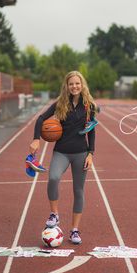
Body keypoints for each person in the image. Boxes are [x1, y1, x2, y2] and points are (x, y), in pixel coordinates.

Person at [29, 71, 97, 244]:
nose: (74, 86)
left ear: (82, 85)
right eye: (71, 84)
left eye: (77, 83)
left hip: (81, 153)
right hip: (62, 151)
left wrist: (91, 153)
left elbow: (92, 131)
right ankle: (55, 214)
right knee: (53, 178)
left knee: (78, 191)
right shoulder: (60, 103)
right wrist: (36, 139)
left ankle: (74, 231)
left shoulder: (89, 105)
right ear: (66, 86)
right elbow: (41, 119)